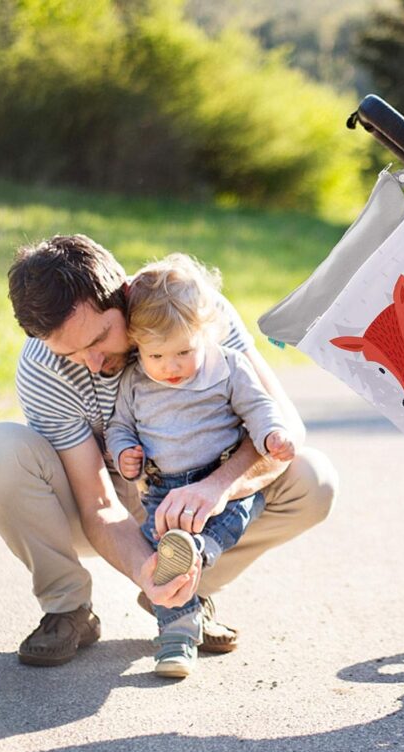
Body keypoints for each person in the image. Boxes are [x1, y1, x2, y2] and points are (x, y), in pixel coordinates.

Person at [0, 234, 337, 667]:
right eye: (71, 352)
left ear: (123, 296)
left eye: (99, 338)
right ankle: (69, 609)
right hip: (98, 500)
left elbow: (286, 426)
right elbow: (98, 503)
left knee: (313, 479)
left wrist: (217, 488)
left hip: (198, 497)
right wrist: (145, 568)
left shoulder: (186, 308)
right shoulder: (42, 369)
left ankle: (187, 593)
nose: (92, 362)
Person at [106, 254, 296, 677]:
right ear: (137, 344)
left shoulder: (229, 367)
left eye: (183, 351)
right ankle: (175, 643)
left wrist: (272, 436)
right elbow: (120, 426)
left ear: (205, 332)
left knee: (227, 519)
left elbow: (259, 409)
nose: (170, 366)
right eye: (156, 355)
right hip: (163, 491)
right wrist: (125, 454)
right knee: (161, 559)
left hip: (222, 477)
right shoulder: (135, 380)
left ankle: (198, 551)